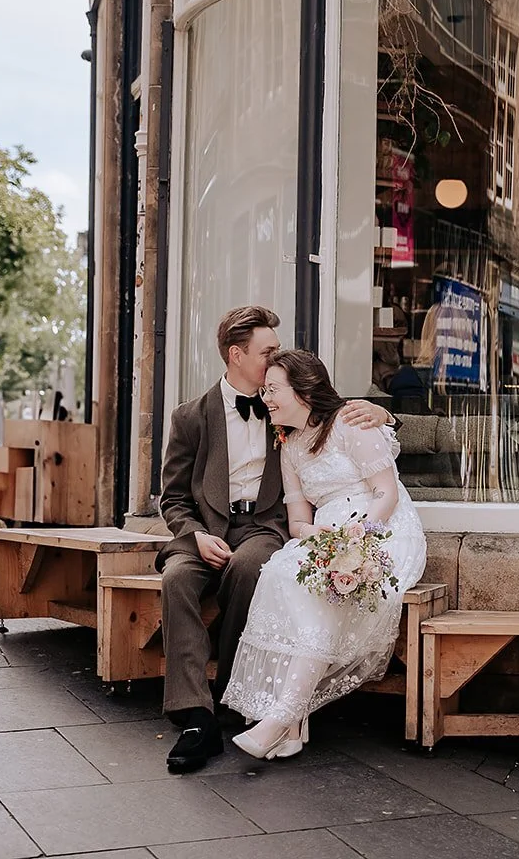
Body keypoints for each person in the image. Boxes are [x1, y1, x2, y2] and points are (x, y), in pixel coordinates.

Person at [158, 305, 395, 774]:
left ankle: (233, 692)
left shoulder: (282, 401)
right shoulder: (190, 417)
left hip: (263, 527)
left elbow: (332, 409)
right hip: (205, 531)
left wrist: (384, 411)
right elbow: (173, 499)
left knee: (252, 567)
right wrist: (198, 535)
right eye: (267, 352)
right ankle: (195, 715)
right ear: (236, 354)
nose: (275, 358)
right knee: (177, 580)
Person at [222, 347, 428, 759]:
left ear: (304, 391)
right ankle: (292, 727)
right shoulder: (291, 446)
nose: (266, 399)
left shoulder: (350, 424)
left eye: (274, 390)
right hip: (327, 533)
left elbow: (385, 492)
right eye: (264, 390)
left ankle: (281, 718)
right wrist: (315, 536)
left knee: (317, 596)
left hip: (381, 527)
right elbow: (298, 518)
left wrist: (359, 538)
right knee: (280, 576)